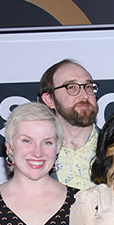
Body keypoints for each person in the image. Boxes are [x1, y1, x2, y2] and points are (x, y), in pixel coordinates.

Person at [40, 58, 100, 189]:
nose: (84, 96)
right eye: (71, 87)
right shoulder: (36, 154)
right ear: (50, 99)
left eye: (88, 87)